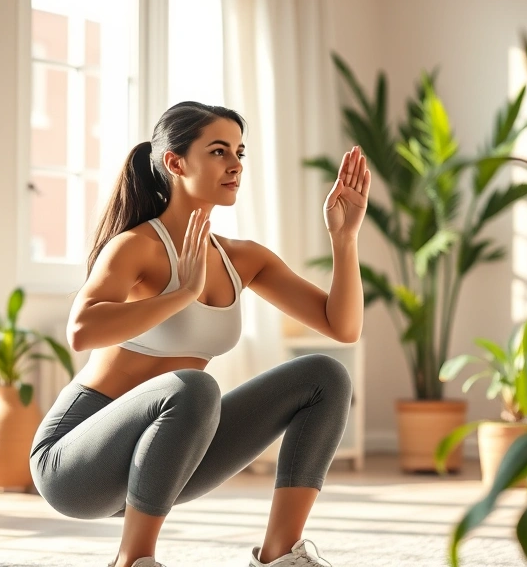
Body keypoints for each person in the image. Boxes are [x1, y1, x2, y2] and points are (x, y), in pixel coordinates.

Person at [30, 101, 370, 567]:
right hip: (76, 463)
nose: (235, 165)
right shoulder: (136, 247)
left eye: (240, 152)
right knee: (193, 385)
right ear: (175, 162)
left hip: (169, 459)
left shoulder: (243, 258)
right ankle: (133, 560)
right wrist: (182, 293)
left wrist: (344, 238)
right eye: (218, 151)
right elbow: (82, 331)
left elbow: (342, 327)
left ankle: (279, 556)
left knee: (325, 377)